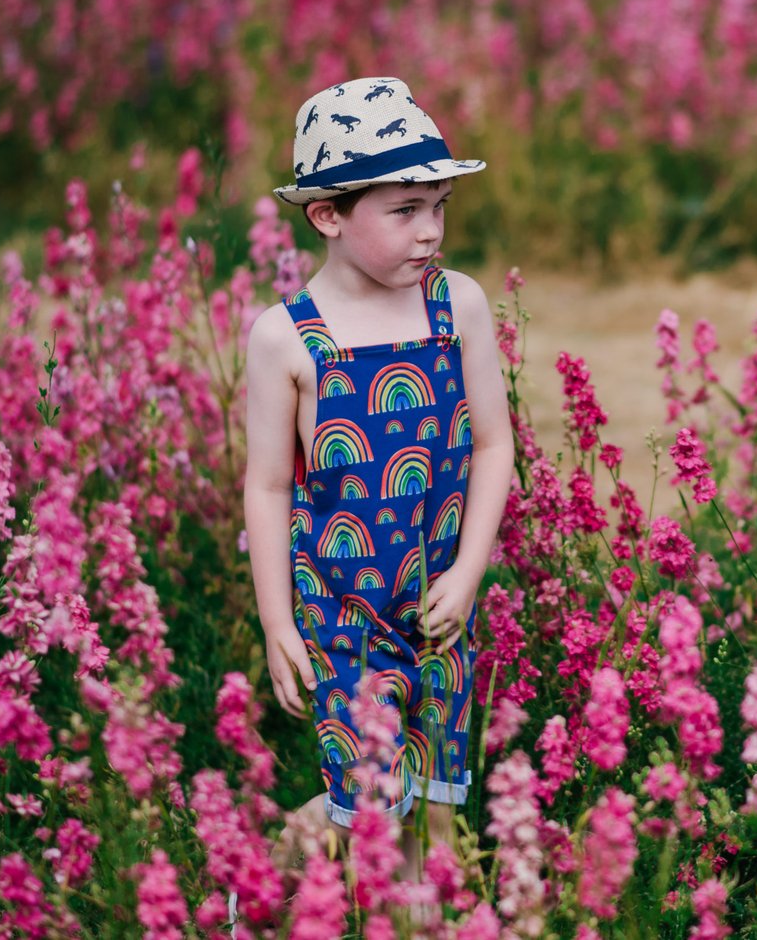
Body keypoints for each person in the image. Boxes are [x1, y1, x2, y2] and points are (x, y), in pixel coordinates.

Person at [240, 77, 514, 921]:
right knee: (371, 807)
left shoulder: (455, 305)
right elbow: (269, 484)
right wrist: (280, 625)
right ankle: (349, 897)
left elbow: (496, 445)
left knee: (432, 805)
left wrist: (468, 574)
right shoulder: (288, 336)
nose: (430, 229)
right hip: (340, 610)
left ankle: (310, 842)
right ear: (327, 215)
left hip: (438, 600)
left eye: (439, 205)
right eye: (403, 209)